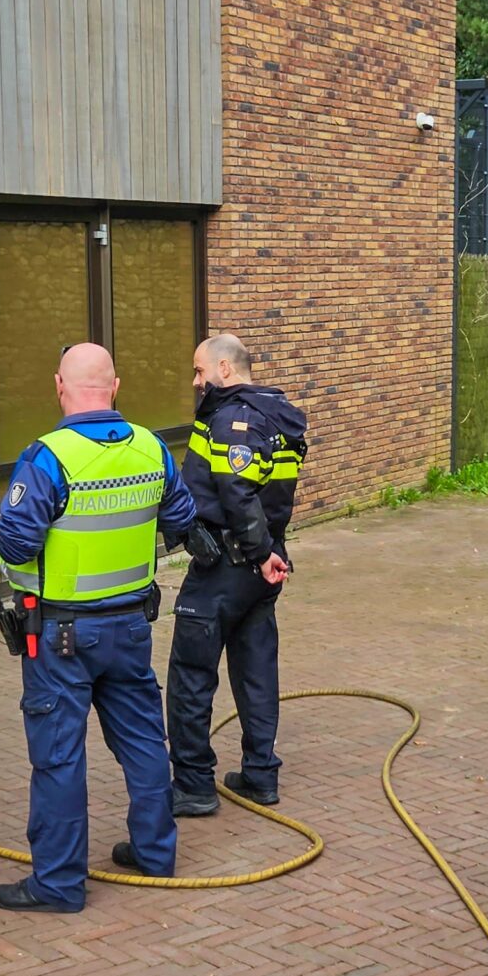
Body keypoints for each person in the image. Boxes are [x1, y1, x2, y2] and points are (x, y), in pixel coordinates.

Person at [0, 343, 198, 913]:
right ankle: (156, 853)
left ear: (60, 385)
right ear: (116, 385)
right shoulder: (153, 448)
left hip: (60, 635)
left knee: (59, 756)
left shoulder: (47, 458)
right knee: (142, 741)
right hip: (130, 626)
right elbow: (180, 520)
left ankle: (57, 884)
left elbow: (16, 542)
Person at [166, 334, 308, 815]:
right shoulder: (276, 414)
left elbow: (238, 492)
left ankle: (193, 787)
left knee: (191, 675)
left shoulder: (233, 418)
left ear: (225, 369)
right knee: (255, 671)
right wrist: (269, 553)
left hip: (228, 566)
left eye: (200, 371)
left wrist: (259, 550)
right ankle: (259, 775)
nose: (196, 380)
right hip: (260, 569)